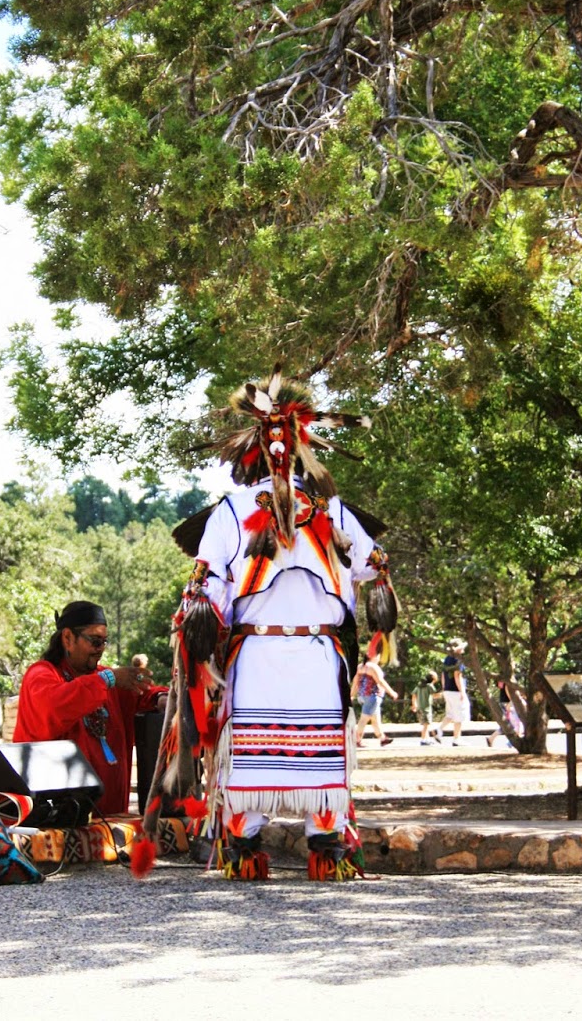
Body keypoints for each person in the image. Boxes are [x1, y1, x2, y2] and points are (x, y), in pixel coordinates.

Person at [140, 370, 399, 882]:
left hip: (255, 657)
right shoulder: (333, 509)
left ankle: (244, 849)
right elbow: (375, 567)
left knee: (251, 752)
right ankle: (324, 849)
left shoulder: (230, 512)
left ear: (246, 455)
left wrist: (193, 647)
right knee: (317, 753)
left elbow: (205, 590)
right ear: (304, 449)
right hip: (318, 655)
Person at [13, 601, 166, 818]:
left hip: (111, 820)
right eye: (95, 641)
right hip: (59, 820)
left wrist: (160, 698)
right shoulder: (41, 675)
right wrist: (108, 678)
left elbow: (141, 695)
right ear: (68, 638)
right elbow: (54, 707)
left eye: (104, 641)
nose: (101, 649)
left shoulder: (104, 679)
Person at [352, 653, 398, 747]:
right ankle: (357, 739)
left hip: (362, 696)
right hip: (372, 696)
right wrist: (392, 692)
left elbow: (355, 683)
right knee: (364, 719)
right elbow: (380, 681)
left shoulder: (360, 666)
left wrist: (351, 695)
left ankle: (382, 738)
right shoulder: (373, 667)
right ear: (373, 656)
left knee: (375, 719)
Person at [437, 639, 469, 743]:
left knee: (450, 714)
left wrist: (444, 687)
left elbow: (443, 675)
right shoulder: (458, 660)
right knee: (459, 715)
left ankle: (439, 730)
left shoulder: (447, 659)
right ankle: (457, 738)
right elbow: (457, 675)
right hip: (455, 691)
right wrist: (462, 691)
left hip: (447, 689)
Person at [413, 671, 440, 745]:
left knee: (426, 724)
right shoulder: (430, 686)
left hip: (420, 707)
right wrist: (442, 694)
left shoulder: (419, 685)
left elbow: (414, 694)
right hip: (426, 708)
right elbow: (435, 695)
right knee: (426, 725)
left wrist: (414, 704)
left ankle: (427, 739)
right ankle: (423, 740)